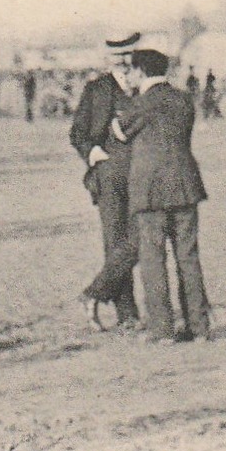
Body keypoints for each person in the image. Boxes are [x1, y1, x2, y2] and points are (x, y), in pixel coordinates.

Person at [113, 48, 212, 343]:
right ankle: (199, 326)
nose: (128, 75)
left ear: (141, 71)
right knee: (189, 256)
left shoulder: (140, 104)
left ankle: (162, 329)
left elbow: (119, 131)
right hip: (185, 183)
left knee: (152, 257)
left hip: (151, 189)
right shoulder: (183, 98)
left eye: (131, 70)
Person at [69, 33, 141, 331]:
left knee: (139, 239)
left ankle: (95, 292)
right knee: (115, 241)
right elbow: (77, 133)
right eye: (117, 56)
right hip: (109, 175)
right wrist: (92, 152)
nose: (123, 62)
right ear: (108, 58)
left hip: (142, 173)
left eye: (128, 55)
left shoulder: (145, 86)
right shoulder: (96, 89)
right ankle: (127, 313)